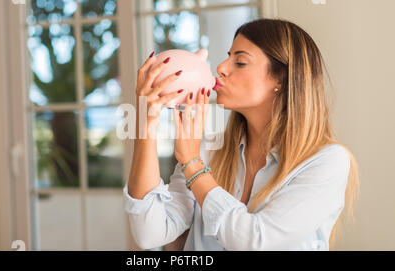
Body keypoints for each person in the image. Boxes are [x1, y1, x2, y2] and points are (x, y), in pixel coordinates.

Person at [124, 18, 360, 251]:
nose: (221, 68)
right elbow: (150, 233)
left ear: (280, 78)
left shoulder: (327, 161)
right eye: (229, 56)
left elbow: (255, 241)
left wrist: (193, 165)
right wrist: (146, 125)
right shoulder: (209, 150)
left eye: (240, 62)